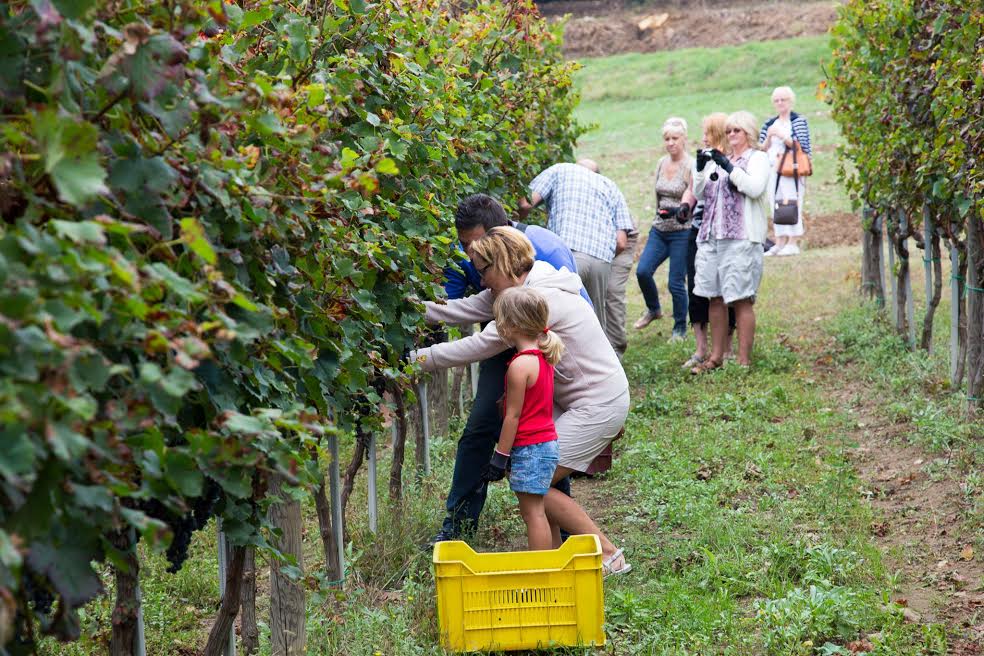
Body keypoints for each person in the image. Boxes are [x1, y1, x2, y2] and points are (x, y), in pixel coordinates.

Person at [412, 227, 632, 574]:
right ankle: (556, 562)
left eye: (483, 270)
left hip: (597, 404)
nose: (481, 281)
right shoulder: (520, 289)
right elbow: (460, 309)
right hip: (582, 401)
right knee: (536, 482)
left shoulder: (536, 302)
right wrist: (409, 308)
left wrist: (413, 360)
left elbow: (476, 346)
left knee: (535, 485)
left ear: (501, 263)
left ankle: (607, 555)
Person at [432, 194, 586, 544]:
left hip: (545, 346)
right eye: (463, 245)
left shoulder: (545, 252)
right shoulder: (474, 261)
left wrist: (422, 360)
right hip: (504, 337)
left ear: (497, 237)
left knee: (544, 432)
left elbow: (581, 314)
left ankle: (563, 528)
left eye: (473, 245)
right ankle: (457, 528)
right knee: (480, 428)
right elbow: (459, 305)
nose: (469, 255)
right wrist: (422, 310)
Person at [481, 287, 564, 550]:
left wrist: (499, 456)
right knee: (541, 511)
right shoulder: (543, 358)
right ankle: (553, 564)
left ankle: (540, 572)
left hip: (530, 449)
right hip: (545, 444)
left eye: (500, 321)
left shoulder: (519, 366)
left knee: (532, 514)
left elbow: (512, 416)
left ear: (512, 325)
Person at [691, 111, 771, 372]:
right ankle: (716, 356)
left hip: (741, 237)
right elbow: (700, 193)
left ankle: (743, 360)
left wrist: (729, 167)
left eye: (736, 130)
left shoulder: (758, 159)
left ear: (748, 132)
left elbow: (754, 188)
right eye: (728, 131)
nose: (731, 135)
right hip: (713, 236)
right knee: (714, 297)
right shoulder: (720, 159)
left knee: (740, 298)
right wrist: (701, 167)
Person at [518, 161, 635, 330]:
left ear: (575, 165)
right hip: (600, 261)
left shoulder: (560, 169)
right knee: (594, 324)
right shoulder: (610, 186)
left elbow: (525, 203)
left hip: (567, 255)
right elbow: (621, 242)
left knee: (556, 318)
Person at [634, 118, 696, 341]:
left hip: (682, 231)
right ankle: (654, 309)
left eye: (675, 138)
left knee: (675, 282)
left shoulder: (690, 165)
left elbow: (692, 196)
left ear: (684, 139)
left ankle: (679, 328)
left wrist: (680, 212)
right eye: (667, 139)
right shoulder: (661, 163)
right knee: (642, 271)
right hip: (660, 230)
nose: (670, 143)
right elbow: (657, 194)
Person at [683, 113, 736, 369]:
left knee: (728, 291)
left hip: (726, 231)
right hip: (701, 229)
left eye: (707, 132)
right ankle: (702, 348)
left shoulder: (732, 159)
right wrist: (701, 167)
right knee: (698, 288)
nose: (703, 136)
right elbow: (698, 191)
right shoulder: (702, 158)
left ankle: (727, 348)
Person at [574, 159, 638, 359]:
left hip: (620, 244)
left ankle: (616, 350)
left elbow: (620, 242)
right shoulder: (573, 196)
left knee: (611, 292)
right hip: (597, 247)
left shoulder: (607, 192)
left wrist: (601, 265)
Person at [759, 86, 813, 256]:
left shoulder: (798, 121)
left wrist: (783, 136)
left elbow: (802, 147)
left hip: (792, 169)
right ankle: (779, 241)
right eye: (777, 100)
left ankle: (793, 241)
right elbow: (761, 148)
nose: (780, 103)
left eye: (783, 99)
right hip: (772, 168)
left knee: (793, 202)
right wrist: (769, 136)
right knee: (775, 204)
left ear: (790, 101)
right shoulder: (769, 123)